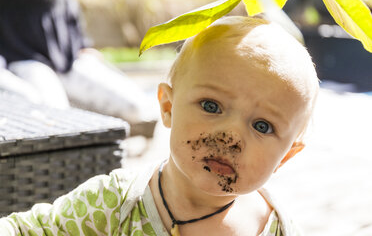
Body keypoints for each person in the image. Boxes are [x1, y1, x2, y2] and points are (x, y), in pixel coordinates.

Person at [0, 16, 319, 236]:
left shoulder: (278, 227)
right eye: (211, 106)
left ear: (287, 156)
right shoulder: (115, 203)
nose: (230, 137)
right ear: (168, 106)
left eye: (262, 126)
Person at [0, 0, 155, 123]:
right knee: (57, 118)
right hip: (22, 59)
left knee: (136, 108)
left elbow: (69, 14)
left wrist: (83, 45)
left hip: (67, 59)